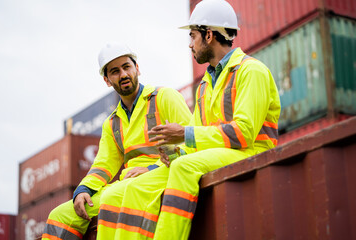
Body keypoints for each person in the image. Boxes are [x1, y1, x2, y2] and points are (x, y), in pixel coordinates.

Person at [98, 0, 281, 239]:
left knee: (184, 167)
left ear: (209, 35)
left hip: (253, 151)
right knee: (133, 187)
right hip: (220, 153)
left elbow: (244, 134)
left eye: (192, 36)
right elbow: (197, 140)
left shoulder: (251, 71)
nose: (189, 44)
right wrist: (173, 154)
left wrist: (184, 135)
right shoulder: (205, 85)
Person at [41, 42, 192, 240]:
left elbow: (191, 142)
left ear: (137, 68)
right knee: (59, 216)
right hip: (128, 182)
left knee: (114, 197)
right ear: (107, 80)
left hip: (165, 172)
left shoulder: (165, 97)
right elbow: (103, 166)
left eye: (126, 67)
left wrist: (150, 169)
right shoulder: (112, 123)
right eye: (115, 71)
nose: (123, 74)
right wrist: (83, 190)